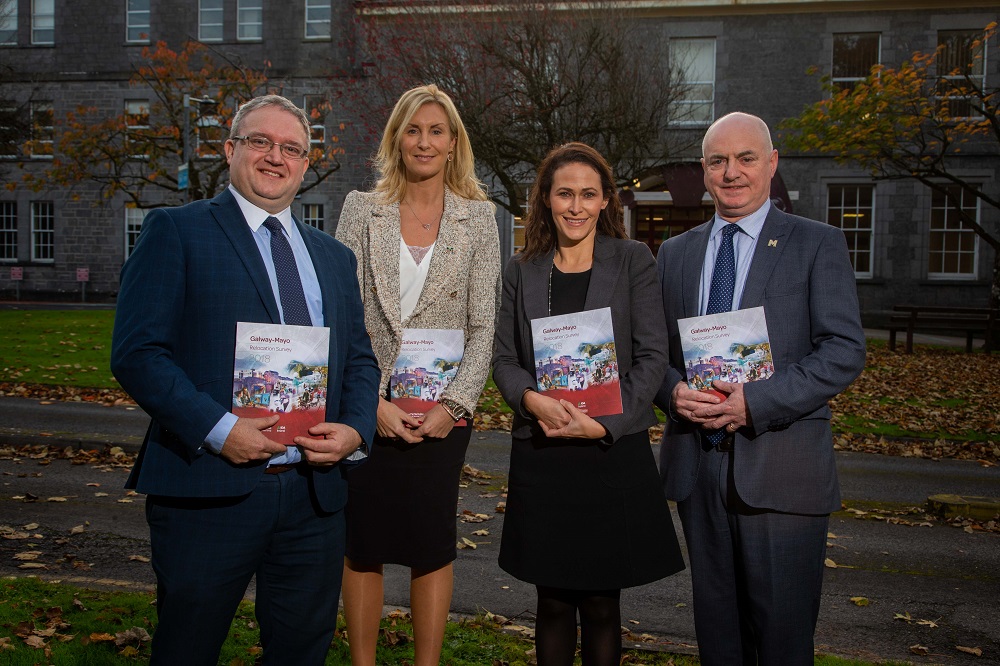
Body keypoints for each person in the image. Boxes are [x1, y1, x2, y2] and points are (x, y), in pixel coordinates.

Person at [110, 94, 380, 666]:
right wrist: (217, 428)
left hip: (313, 494)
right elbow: (138, 353)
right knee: (188, 648)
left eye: (291, 148)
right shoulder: (175, 231)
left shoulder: (334, 256)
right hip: (208, 486)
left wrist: (356, 431)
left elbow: (359, 359)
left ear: (306, 164)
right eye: (260, 141)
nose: (275, 157)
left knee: (301, 651)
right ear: (230, 149)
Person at [654, 112, 866, 664]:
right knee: (717, 634)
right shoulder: (675, 254)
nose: (732, 172)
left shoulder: (817, 244)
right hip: (697, 469)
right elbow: (652, 355)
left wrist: (758, 401)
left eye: (746, 158)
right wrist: (672, 391)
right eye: (718, 160)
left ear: (772, 165)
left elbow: (843, 350)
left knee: (781, 638)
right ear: (703, 171)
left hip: (783, 469)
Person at [492, 142, 685, 666]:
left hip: (609, 452)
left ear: (606, 202)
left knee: (602, 603)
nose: (575, 206)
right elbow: (504, 360)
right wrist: (531, 400)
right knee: (551, 602)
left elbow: (651, 357)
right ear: (546, 200)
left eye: (588, 194)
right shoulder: (522, 269)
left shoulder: (632, 260)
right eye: (564, 194)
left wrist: (605, 426)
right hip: (545, 449)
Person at [335, 84, 501, 666]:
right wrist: (367, 405)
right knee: (363, 546)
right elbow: (342, 316)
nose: (424, 141)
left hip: (439, 416)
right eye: (413, 129)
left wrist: (453, 406)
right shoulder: (360, 209)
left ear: (453, 142)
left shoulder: (480, 220)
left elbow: (485, 327)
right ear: (396, 139)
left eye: (436, 130)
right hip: (368, 410)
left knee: (432, 545)